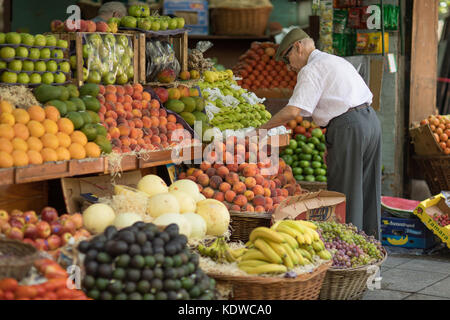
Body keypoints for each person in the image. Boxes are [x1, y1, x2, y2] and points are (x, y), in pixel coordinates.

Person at [259, 28, 382, 239]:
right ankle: (372, 252)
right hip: (370, 121)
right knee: (369, 190)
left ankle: (349, 250)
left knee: (345, 193)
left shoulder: (310, 69)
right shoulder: (334, 60)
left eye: (288, 59)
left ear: (298, 47)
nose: (289, 67)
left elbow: (293, 110)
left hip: (349, 127)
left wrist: (261, 129)